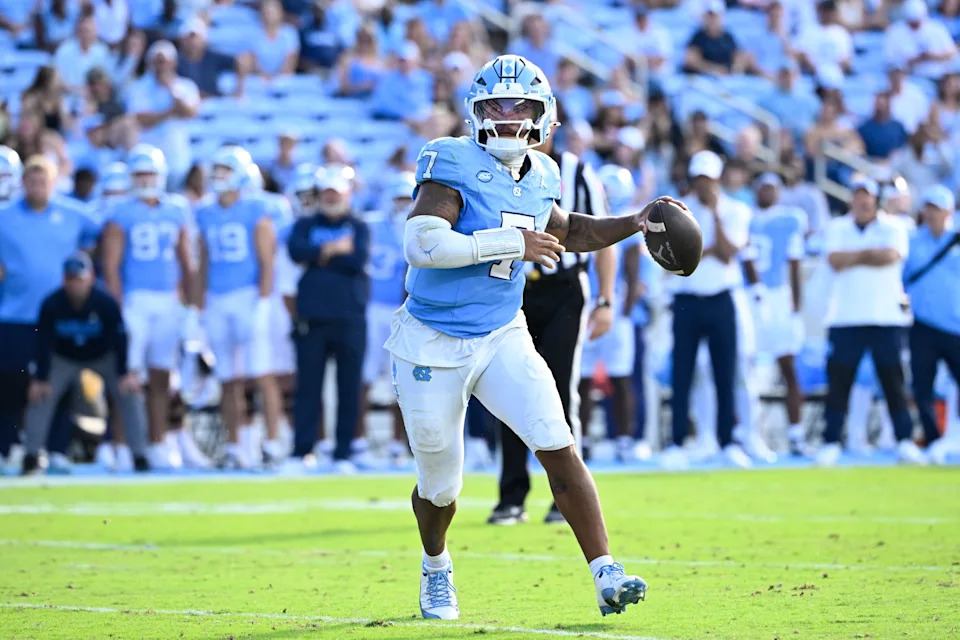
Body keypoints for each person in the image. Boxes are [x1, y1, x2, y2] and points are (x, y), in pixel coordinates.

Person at [388, 54, 665, 621]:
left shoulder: (543, 174)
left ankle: (606, 572)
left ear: (546, 117)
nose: (509, 118)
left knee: (558, 444)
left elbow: (573, 230)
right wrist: (509, 245)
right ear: (475, 113)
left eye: (522, 108)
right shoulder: (451, 160)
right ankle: (436, 565)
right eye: (496, 106)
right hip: (432, 340)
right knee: (441, 484)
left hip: (501, 334)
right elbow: (424, 246)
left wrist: (635, 222)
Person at [487, 123, 617, 527]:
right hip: (514, 287)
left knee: (560, 390)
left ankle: (565, 498)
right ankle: (511, 497)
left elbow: (599, 233)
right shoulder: (493, 168)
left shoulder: (576, 172)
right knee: (508, 389)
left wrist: (606, 299)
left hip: (563, 289)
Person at [100, 143, 207, 471]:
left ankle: (158, 442)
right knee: (128, 377)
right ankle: (123, 444)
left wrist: (190, 305)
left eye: (150, 173)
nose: (146, 180)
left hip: (168, 301)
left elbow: (185, 261)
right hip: (136, 300)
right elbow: (111, 266)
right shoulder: (121, 212)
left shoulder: (176, 209)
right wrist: (118, 306)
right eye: (140, 174)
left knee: (162, 375)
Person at [817, 175, 925, 466]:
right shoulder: (838, 227)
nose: (863, 201)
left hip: (885, 316)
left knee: (893, 382)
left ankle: (904, 440)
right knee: (840, 383)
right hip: (845, 317)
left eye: (868, 196)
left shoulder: (894, 226)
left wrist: (856, 256)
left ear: (876, 199)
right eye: (858, 195)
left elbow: (891, 256)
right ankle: (830, 441)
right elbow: (835, 261)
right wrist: (869, 254)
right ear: (852, 199)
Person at [0, 156, 100, 466]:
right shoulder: (5, 216)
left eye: (43, 181)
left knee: (62, 383)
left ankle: (56, 449)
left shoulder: (73, 215)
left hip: (60, 314)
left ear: (53, 183)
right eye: (31, 181)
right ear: (22, 183)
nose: (37, 187)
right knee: (10, 384)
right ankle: (8, 446)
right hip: (16, 312)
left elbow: (100, 235)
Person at [21, 252, 149, 475]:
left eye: (79, 278)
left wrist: (124, 372)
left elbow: (120, 339)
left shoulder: (105, 303)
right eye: (71, 279)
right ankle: (31, 456)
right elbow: (42, 342)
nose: (75, 284)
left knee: (130, 393)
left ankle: (140, 456)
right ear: (64, 280)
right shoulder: (52, 304)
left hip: (103, 357)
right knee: (41, 394)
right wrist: (41, 378)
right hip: (64, 358)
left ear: (90, 278)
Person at [664, 151, 753, 470]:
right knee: (682, 373)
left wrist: (715, 217)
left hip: (720, 298)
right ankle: (676, 443)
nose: (703, 186)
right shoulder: (679, 211)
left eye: (708, 179)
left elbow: (729, 253)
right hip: (687, 299)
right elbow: (675, 257)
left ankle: (727, 442)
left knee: (724, 372)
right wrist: (704, 250)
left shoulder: (736, 209)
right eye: (698, 179)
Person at [195, 146, 275, 470]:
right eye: (216, 169)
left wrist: (264, 303)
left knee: (262, 375)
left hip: (249, 296)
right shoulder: (204, 211)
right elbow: (202, 264)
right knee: (227, 378)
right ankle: (235, 446)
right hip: (217, 298)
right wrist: (196, 308)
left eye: (225, 170)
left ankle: (271, 444)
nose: (218, 176)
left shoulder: (257, 208)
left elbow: (266, 261)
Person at [287, 167, 369, 473]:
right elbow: (296, 251)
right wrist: (334, 249)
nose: (331, 198)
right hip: (312, 317)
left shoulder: (359, 226)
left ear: (347, 194)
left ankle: (343, 453)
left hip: (350, 317)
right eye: (326, 193)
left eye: (336, 193)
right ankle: (301, 451)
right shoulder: (306, 223)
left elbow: (356, 258)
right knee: (308, 388)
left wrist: (318, 255)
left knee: (349, 388)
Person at [742, 173, 808, 454]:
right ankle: (748, 433)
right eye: (763, 187)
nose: (768, 193)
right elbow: (744, 257)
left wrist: (796, 305)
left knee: (788, 366)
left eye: (773, 188)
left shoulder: (790, 219)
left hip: (779, 296)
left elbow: (794, 264)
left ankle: (796, 433)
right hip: (750, 296)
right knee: (746, 369)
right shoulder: (745, 216)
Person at [903, 185, 960, 465]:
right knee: (922, 388)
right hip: (923, 325)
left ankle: (955, 438)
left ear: (949, 211)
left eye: (936, 209)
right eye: (928, 208)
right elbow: (900, 281)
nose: (931, 214)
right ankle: (934, 441)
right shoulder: (912, 241)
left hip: (956, 325)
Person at [242, 162, 292, 466]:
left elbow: (274, 260)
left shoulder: (272, 208)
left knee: (273, 374)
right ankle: (250, 439)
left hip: (271, 298)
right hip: (245, 294)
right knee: (245, 376)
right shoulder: (224, 212)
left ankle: (277, 435)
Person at [362, 172, 414, 467]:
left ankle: (399, 443)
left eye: (407, 199)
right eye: (398, 199)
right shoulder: (371, 226)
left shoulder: (421, 228)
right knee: (365, 377)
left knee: (402, 380)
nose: (402, 206)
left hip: (404, 310)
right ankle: (360, 443)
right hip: (373, 307)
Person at [127, 40, 200, 189]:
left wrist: (171, 90)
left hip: (177, 157)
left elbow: (190, 112)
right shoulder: (139, 87)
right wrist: (171, 112)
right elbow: (141, 120)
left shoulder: (185, 86)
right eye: (158, 62)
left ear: (173, 62)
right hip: (148, 159)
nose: (161, 66)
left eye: (165, 61)